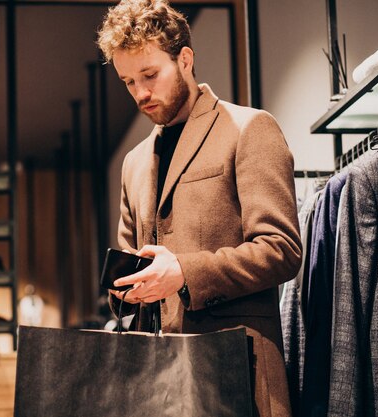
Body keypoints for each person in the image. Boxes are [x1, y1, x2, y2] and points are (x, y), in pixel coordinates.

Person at [97, 1, 302, 416]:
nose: (140, 92)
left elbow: (281, 250)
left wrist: (185, 273)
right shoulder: (134, 162)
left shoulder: (249, 129)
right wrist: (125, 290)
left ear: (185, 59)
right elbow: (131, 267)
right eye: (128, 81)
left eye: (150, 75)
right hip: (156, 385)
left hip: (239, 374)